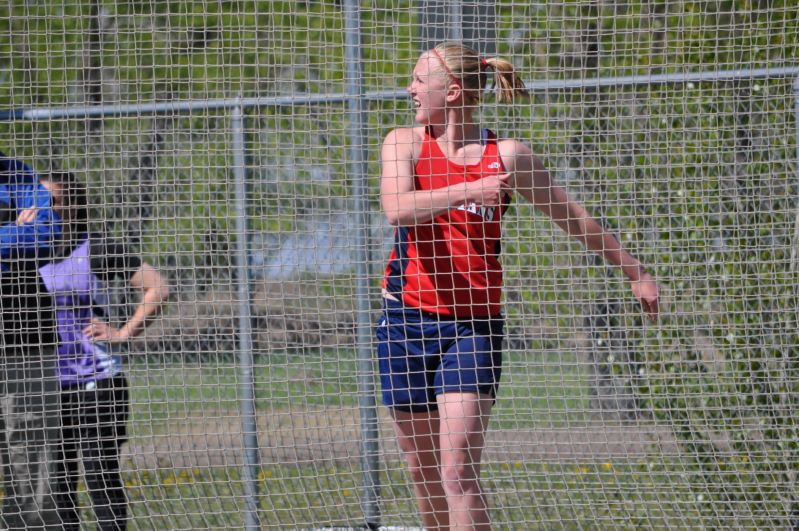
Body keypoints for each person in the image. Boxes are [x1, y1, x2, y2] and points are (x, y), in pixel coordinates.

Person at [376, 42, 660, 530]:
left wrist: (635, 271)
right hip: (404, 320)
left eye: (420, 80)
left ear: (455, 91)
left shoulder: (506, 156)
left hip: (473, 329)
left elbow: (574, 217)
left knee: (457, 470)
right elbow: (398, 209)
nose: (410, 88)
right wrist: (468, 190)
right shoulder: (403, 142)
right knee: (421, 470)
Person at [18, 171, 169, 530]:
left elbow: (158, 288)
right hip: (45, 386)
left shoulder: (96, 247)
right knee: (56, 485)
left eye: (52, 201)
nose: (43, 209)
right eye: (35, 202)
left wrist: (122, 333)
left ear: (73, 206)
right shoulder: (19, 250)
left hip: (98, 381)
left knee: (100, 475)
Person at [0, 151, 63, 529]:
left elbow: (48, 233)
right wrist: (14, 230)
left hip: (26, 334)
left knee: (31, 446)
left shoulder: (18, 174)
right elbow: (28, 236)